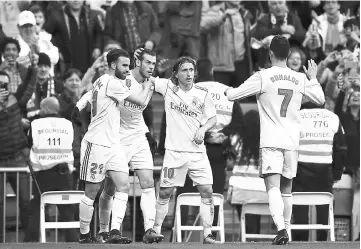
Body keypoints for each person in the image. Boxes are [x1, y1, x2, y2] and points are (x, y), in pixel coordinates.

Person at [224, 35, 325, 245]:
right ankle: (286, 228)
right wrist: (313, 78)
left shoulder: (263, 76)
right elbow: (321, 100)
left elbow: (233, 95)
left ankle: (281, 229)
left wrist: (225, 90)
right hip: (292, 141)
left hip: (271, 140)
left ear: (270, 53)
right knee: (286, 188)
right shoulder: (299, 78)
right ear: (288, 54)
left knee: (272, 187)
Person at [76, 48, 163, 243]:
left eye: (129, 64)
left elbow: (90, 93)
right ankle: (87, 234)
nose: (128, 68)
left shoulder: (104, 81)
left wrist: (78, 106)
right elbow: (140, 102)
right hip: (98, 142)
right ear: (114, 65)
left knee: (124, 185)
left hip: (115, 142)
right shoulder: (115, 83)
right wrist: (151, 83)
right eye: (125, 65)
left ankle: (115, 232)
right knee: (96, 191)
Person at [148, 56, 219, 244]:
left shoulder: (203, 94)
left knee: (207, 191)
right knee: (164, 193)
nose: (189, 73)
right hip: (174, 152)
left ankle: (208, 234)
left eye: (191, 70)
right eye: (184, 70)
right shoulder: (168, 88)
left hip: (197, 152)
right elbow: (147, 78)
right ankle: (155, 230)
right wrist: (147, 64)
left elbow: (213, 118)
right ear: (176, 74)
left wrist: (203, 129)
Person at [24, 97, 77, 242]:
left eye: (41, 108)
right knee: (67, 211)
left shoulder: (35, 124)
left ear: (45, 109)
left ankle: (31, 243)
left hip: (42, 175)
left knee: (36, 210)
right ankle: (72, 242)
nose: (40, 111)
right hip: (64, 174)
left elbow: (29, 143)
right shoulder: (68, 124)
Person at [292, 100, 346, 241]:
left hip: (299, 170)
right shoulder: (333, 117)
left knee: (299, 209)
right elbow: (341, 149)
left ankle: (299, 244)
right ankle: (322, 242)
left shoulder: (295, 116)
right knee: (324, 208)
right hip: (324, 170)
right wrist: (336, 173)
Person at [0, 59, 38, 242]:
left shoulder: (16, 99)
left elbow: (29, 85)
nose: (2, 87)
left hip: (18, 158)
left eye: (4, 84)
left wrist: (34, 67)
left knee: (25, 201)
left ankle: (29, 242)